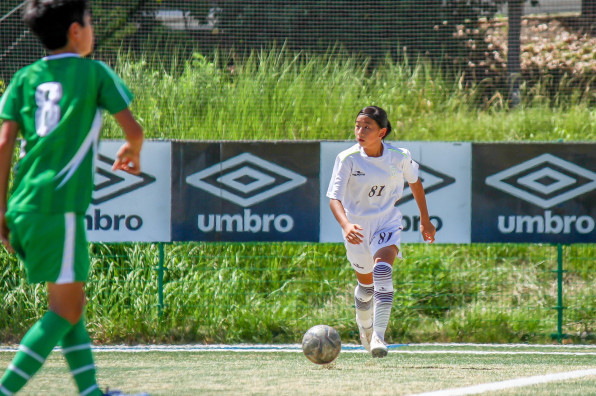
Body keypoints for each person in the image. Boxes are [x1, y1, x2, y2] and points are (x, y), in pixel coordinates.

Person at [0, 0, 144, 394]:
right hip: (57, 207)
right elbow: (133, 128)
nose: (93, 29)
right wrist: (132, 148)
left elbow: (3, 143)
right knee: (65, 308)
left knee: (70, 302)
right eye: (91, 22)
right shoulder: (93, 72)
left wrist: (0, 210)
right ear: (76, 31)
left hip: (24, 205)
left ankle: (90, 391)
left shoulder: (25, 77)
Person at [327, 106, 436, 358]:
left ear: (382, 132)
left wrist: (425, 220)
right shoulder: (347, 158)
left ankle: (379, 336)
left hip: (387, 222)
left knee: (383, 271)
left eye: (367, 127)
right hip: (357, 229)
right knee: (366, 287)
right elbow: (334, 198)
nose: (360, 131)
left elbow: (415, 184)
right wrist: (346, 225)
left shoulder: (399, 157)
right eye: (357, 125)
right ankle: (364, 325)